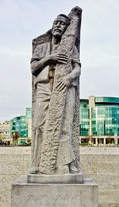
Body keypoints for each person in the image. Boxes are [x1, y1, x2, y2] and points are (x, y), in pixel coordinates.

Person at [30, 14, 81, 174]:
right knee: (39, 126)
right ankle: (36, 162)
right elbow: (33, 68)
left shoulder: (70, 47)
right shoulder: (41, 47)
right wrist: (49, 59)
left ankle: (68, 162)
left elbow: (78, 68)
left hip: (64, 86)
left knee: (65, 126)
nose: (58, 25)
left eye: (63, 24)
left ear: (67, 29)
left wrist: (69, 78)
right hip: (45, 85)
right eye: (56, 22)